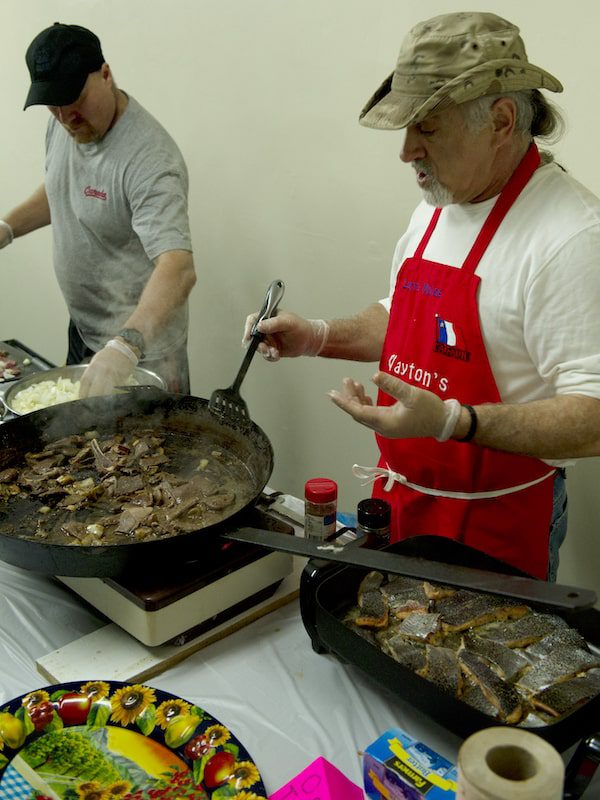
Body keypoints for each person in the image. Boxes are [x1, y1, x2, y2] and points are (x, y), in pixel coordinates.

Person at [243, 11, 600, 582]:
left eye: (427, 128)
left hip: (496, 526)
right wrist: (318, 336)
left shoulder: (570, 237)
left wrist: (454, 421)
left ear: (502, 120)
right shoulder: (440, 203)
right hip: (407, 504)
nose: (406, 151)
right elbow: (407, 315)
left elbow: (594, 417)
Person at [0, 22, 196, 395]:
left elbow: (179, 268)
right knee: (76, 450)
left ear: (105, 75)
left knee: (141, 452)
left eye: (75, 102)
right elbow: (63, 188)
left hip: (142, 353)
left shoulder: (151, 159)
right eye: (54, 106)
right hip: (84, 330)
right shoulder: (65, 123)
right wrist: (6, 228)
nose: (65, 118)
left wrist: (127, 346)